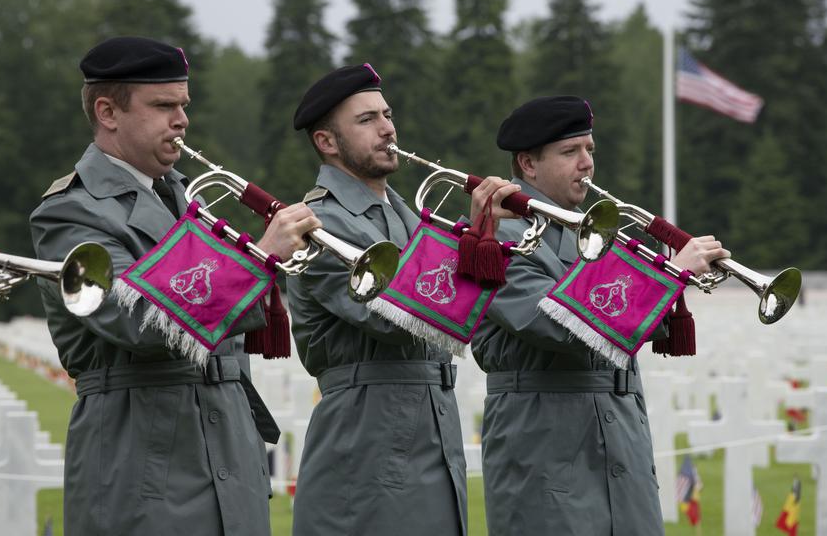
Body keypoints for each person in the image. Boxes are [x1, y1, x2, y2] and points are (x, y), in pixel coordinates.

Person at [29, 36, 320, 536]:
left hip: (228, 458)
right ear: (108, 112)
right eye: (163, 105)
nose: (182, 120)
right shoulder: (70, 211)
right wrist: (259, 258)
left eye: (183, 105)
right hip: (142, 467)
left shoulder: (187, 199)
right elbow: (138, 319)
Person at [474, 95, 730, 535]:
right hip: (546, 448)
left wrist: (660, 285)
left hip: (621, 444)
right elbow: (560, 325)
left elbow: (630, 324)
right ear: (528, 165)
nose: (586, 164)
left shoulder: (592, 232)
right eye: (570, 152)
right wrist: (668, 274)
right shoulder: (497, 239)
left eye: (590, 150)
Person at [285, 63, 518, 536]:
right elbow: (401, 314)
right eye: (367, 119)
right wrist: (475, 238)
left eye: (387, 114)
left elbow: (470, 312)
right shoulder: (319, 224)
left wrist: (490, 237)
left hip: (429, 432)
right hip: (367, 440)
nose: (388, 127)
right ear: (327, 143)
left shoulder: (409, 218)